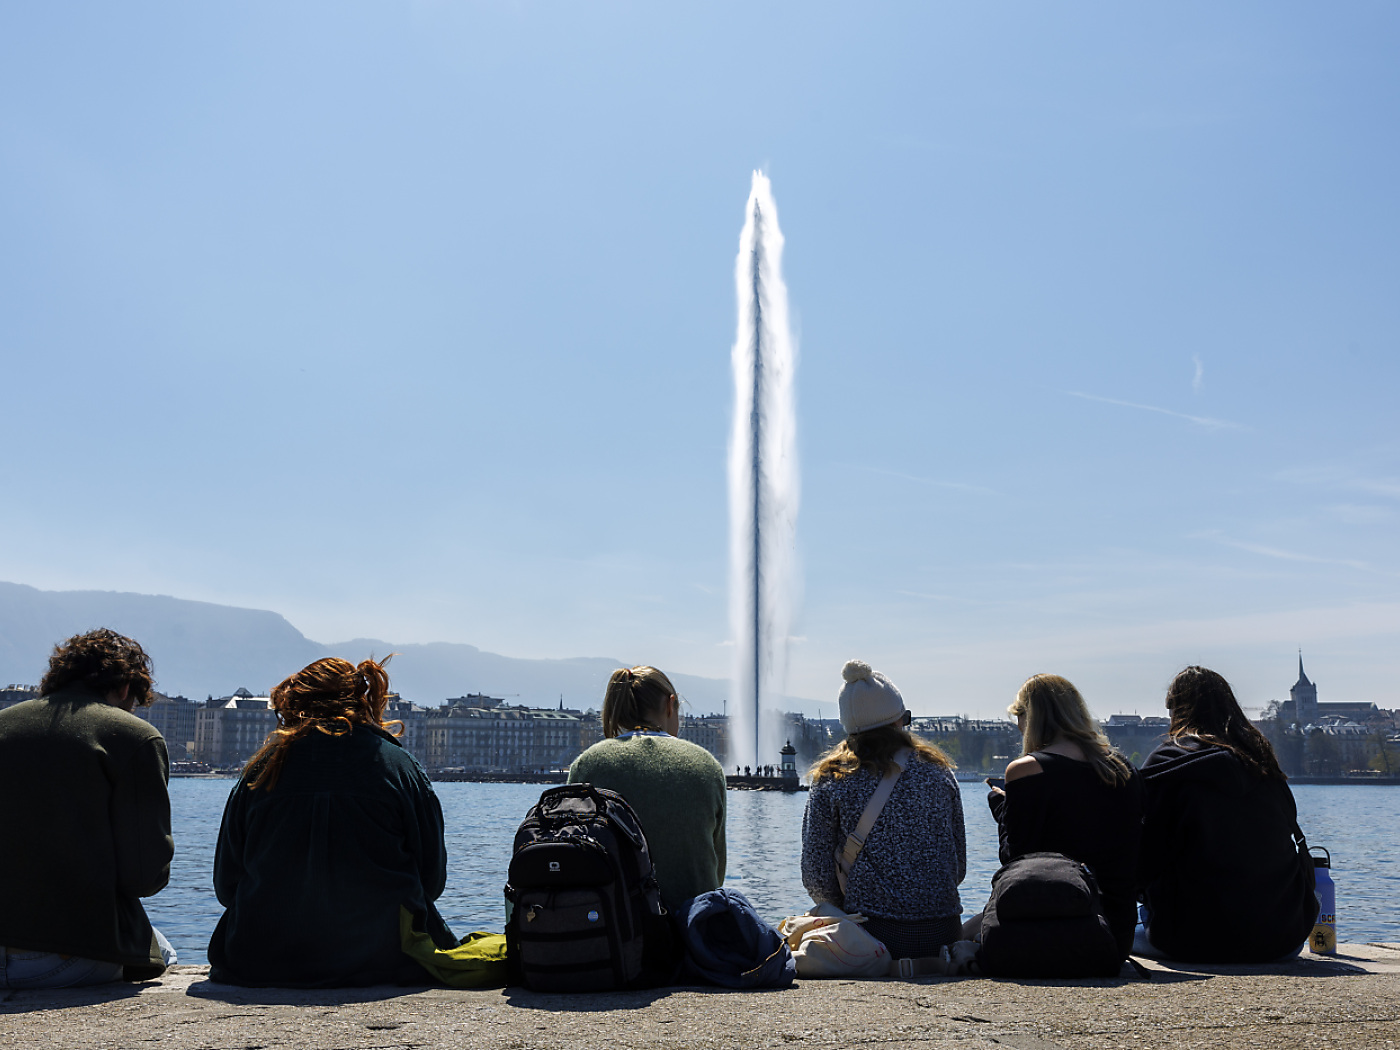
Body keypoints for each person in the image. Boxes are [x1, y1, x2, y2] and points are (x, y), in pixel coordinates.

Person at [208, 656, 456, 987]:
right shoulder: (399, 767)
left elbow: (227, 886)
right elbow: (432, 881)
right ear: (362, 699)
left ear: (295, 704)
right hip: (387, 960)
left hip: (258, 960)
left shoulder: (262, 769)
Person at [0, 629, 175, 988]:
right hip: (67, 957)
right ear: (126, 688)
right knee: (166, 952)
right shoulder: (134, 737)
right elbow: (144, 877)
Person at [1136, 666, 1317, 962]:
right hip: (1284, 937)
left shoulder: (1169, 762)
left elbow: (1145, 861)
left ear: (1176, 710)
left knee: (1120, 928)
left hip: (1195, 938)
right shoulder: (1263, 764)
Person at [963, 673, 1142, 958]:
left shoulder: (1026, 770)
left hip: (1052, 926)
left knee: (960, 936)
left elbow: (1015, 862)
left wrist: (1002, 810)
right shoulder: (1122, 769)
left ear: (1029, 718)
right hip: (1114, 933)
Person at [801, 660, 966, 959]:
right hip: (943, 934)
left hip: (869, 939)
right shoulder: (940, 772)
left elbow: (817, 877)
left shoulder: (832, 779)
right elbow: (958, 867)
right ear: (898, 721)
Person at [568, 666, 726, 912]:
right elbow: (717, 871)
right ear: (670, 705)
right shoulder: (706, 765)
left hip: (609, 933)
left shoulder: (588, 764)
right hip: (691, 934)